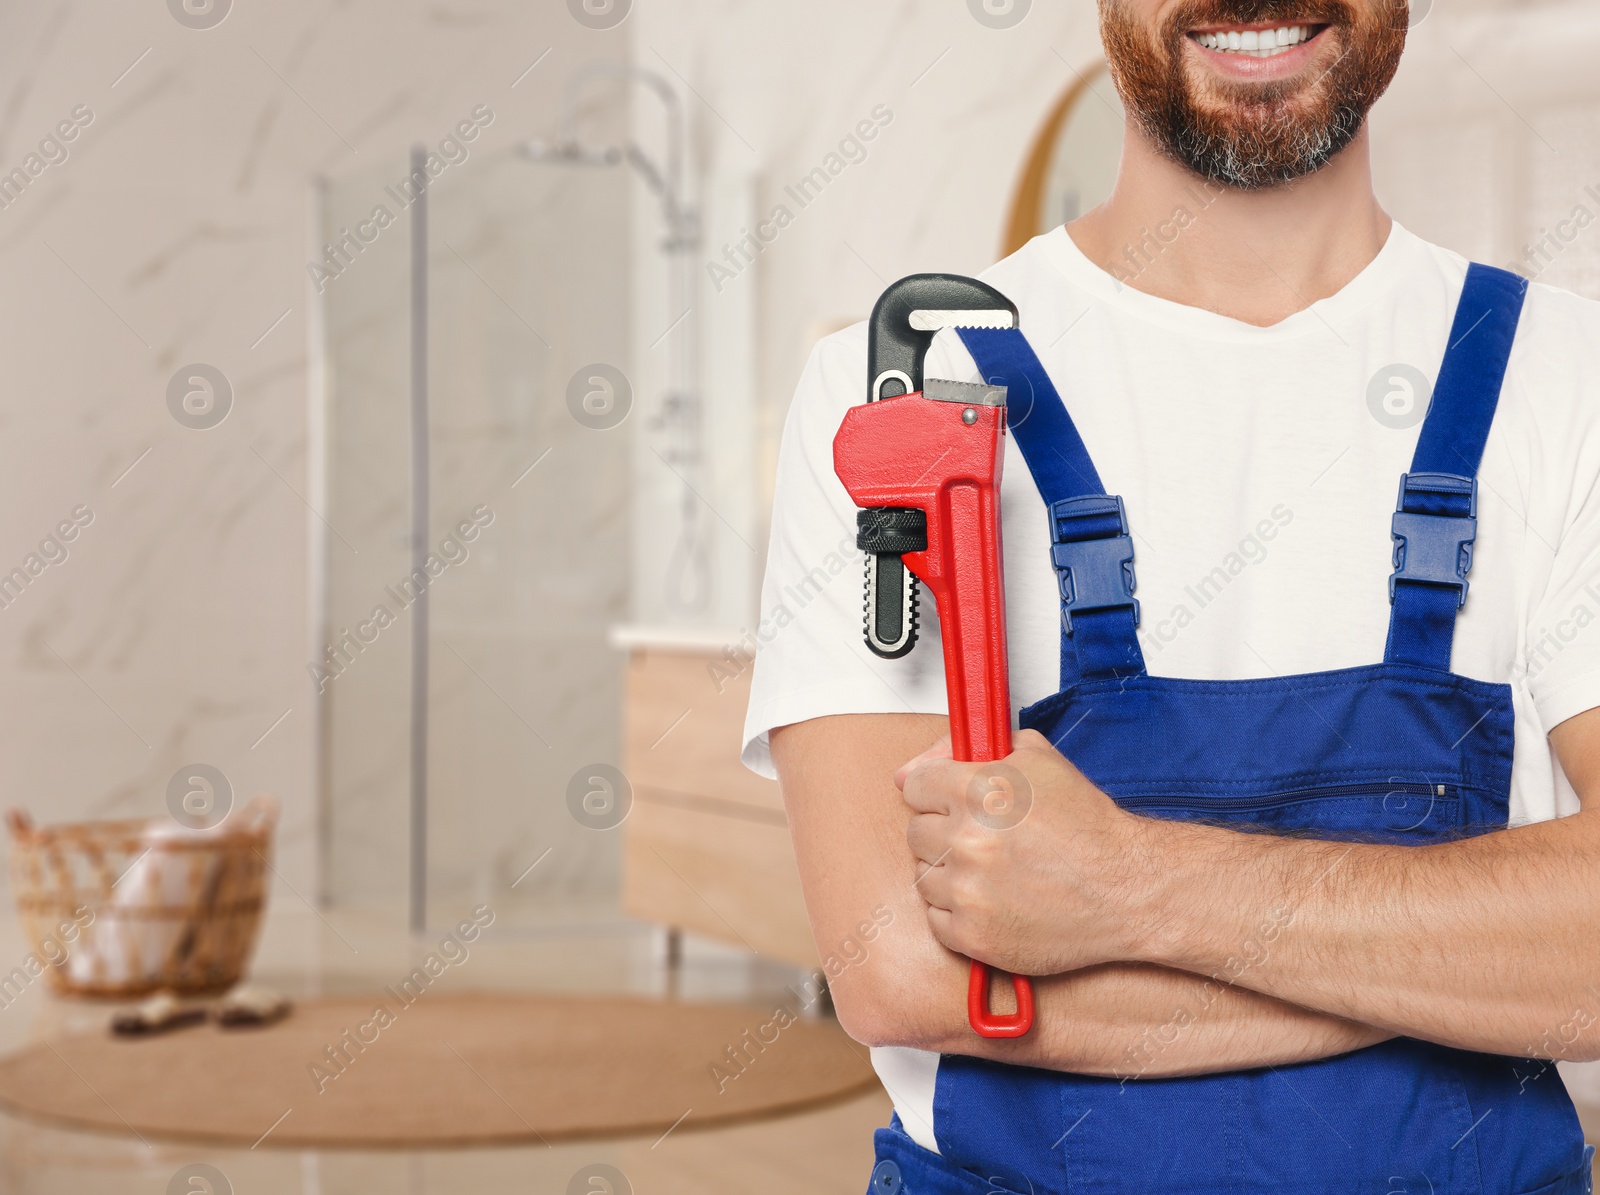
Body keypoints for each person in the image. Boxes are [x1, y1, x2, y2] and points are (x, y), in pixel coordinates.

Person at [741, 2, 1600, 1193]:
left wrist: (1126, 885)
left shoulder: (1568, 378)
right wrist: (1456, 963)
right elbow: (900, 972)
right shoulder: (899, 389)